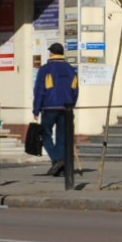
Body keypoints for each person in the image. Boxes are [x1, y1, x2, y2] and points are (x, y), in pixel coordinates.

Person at [32, 42, 79, 177]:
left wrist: (36, 110)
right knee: (62, 137)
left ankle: (57, 160)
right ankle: (61, 167)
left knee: (45, 134)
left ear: (51, 53)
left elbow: (39, 91)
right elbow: (75, 90)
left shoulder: (45, 69)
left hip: (49, 107)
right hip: (66, 108)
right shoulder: (71, 69)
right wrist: (71, 106)